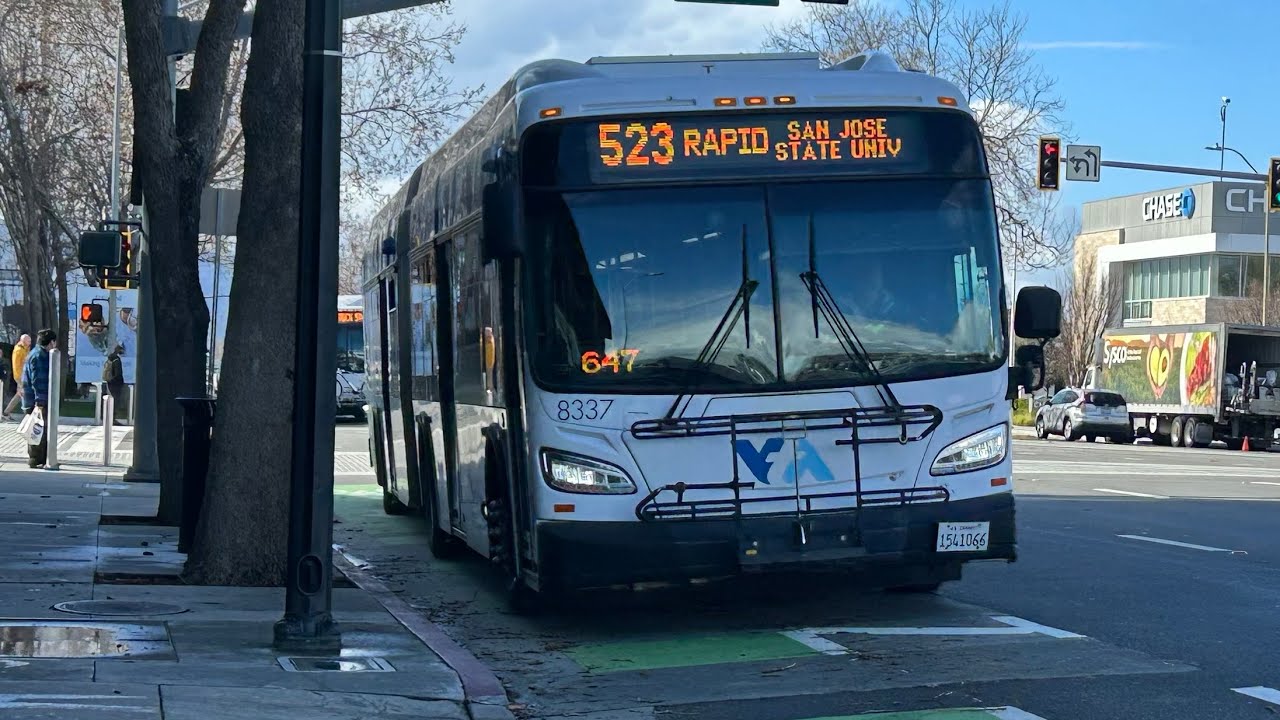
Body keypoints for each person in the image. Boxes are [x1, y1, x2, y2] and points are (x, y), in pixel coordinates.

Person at [22, 329, 56, 469]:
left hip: (33, 399)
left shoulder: (36, 353)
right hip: (37, 400)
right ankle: (36, 458)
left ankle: (39, 458)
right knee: (38, 430)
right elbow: (38, 381)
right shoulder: (39, 356)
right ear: (51, 342)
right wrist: (40, 402)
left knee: (38, 429)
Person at [3, 334, 31, 420]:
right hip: (20, 375)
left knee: (20, 394)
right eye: (28, 341)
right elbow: (20, 364)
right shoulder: (19, 350)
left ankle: (6, 413)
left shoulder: (24, 348)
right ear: (23, 341)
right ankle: (26, 414)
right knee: (23, 393)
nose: (30, 342)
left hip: (22, 375)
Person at [103, 343, 125, 425]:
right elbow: (118, 373)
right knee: (115, 401)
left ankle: (110, 417)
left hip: (110, 382)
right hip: (116, 383)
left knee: (113, 400)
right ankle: (113, 418)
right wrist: (119, 381)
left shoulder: (111, 359)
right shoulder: (117, 360)